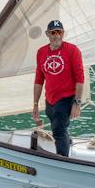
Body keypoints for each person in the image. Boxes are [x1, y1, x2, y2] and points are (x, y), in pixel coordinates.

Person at [30, 19, 86, 156]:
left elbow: (80, 78)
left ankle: (63, 160)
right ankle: (66, 142)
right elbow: (39, 79)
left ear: (63, 33)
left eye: (59, 32)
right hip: (50, 98)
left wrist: (77, 103)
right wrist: (35, 104)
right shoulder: (41, 52)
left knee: (58, 130)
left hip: (66, 98)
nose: (56, 35)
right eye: (53, 32)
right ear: (47, 34)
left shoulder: (72, 50)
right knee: (57, 125)